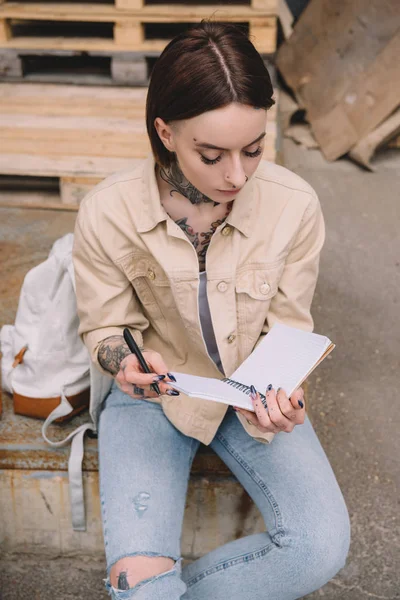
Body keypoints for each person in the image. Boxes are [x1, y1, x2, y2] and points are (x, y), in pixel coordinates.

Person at [72, 20, 351, 600]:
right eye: (211, 153)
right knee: (142, 583)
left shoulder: (294, 206)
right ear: (164, 132)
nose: (236, 175)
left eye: (253, 150)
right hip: (154, 398)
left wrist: (285, 394)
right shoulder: (106, 212)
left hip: (250, 393)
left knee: (320, 546)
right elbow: (104, 327)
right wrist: (123, 361)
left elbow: (289, 326)